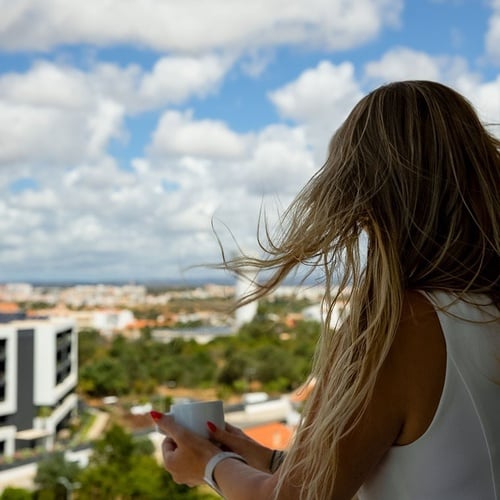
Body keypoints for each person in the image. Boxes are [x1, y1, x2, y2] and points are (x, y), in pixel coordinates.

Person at [150, 80, 500, 499]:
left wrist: (207, 466)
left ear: (364, 195)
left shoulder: (399, 327)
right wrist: (259, 457)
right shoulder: (482, 309)